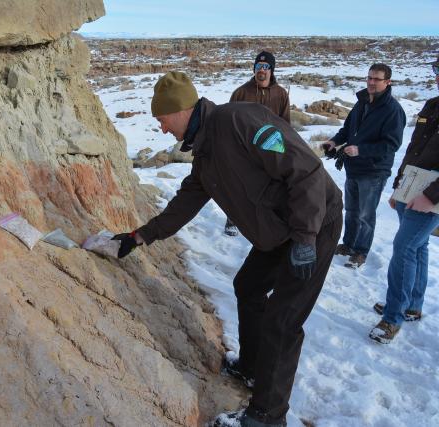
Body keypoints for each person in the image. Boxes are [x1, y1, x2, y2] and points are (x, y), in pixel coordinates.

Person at [113, 71, 342, 427]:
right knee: (248, 286)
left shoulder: (241, 120)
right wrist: (140, 236)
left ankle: (267, 416)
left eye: (161, 120)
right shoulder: (204, 152)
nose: (161, 130)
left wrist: (305, 239)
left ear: (180, 110)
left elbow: (307, 172)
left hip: (314, 223)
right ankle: (251, 367)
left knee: (283, 321)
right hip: (278, 233)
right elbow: (185, 203)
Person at [369, 56, 439, 344]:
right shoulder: (433, 105)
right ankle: (411, 305)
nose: (437, 76)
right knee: (418, 247)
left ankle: (392, 318)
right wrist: (400, 187)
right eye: (436, 70)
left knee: (404, 248)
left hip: (430, 194)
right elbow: (414, 149)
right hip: (411, 187)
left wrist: (431, 196)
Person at [322, 63, 406, 268]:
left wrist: (361, 150)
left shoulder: (393, 110)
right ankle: (348, 244)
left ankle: (361, 251)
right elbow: (347, 129)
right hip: (353, 167)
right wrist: (334, 141)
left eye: (376, 79)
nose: (371, 82)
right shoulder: (362, 102)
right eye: (369, 78)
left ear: (388, 82)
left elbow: (391, 144)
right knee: (351, 210)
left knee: (366, 215)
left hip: (374, 171)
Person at [224, 50, 291, 237]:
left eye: (265, 67)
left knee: (268, 187)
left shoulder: (281, 94)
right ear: (254, 69)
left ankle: (263, 221)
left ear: (271, 70)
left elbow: (286, 125)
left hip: (270, 149)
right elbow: (228, 121)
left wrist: (285, 149)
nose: (261, 70)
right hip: (244, 150)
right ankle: (232, 219)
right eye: (258, 66)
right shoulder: (241, 93)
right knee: (239, 185)